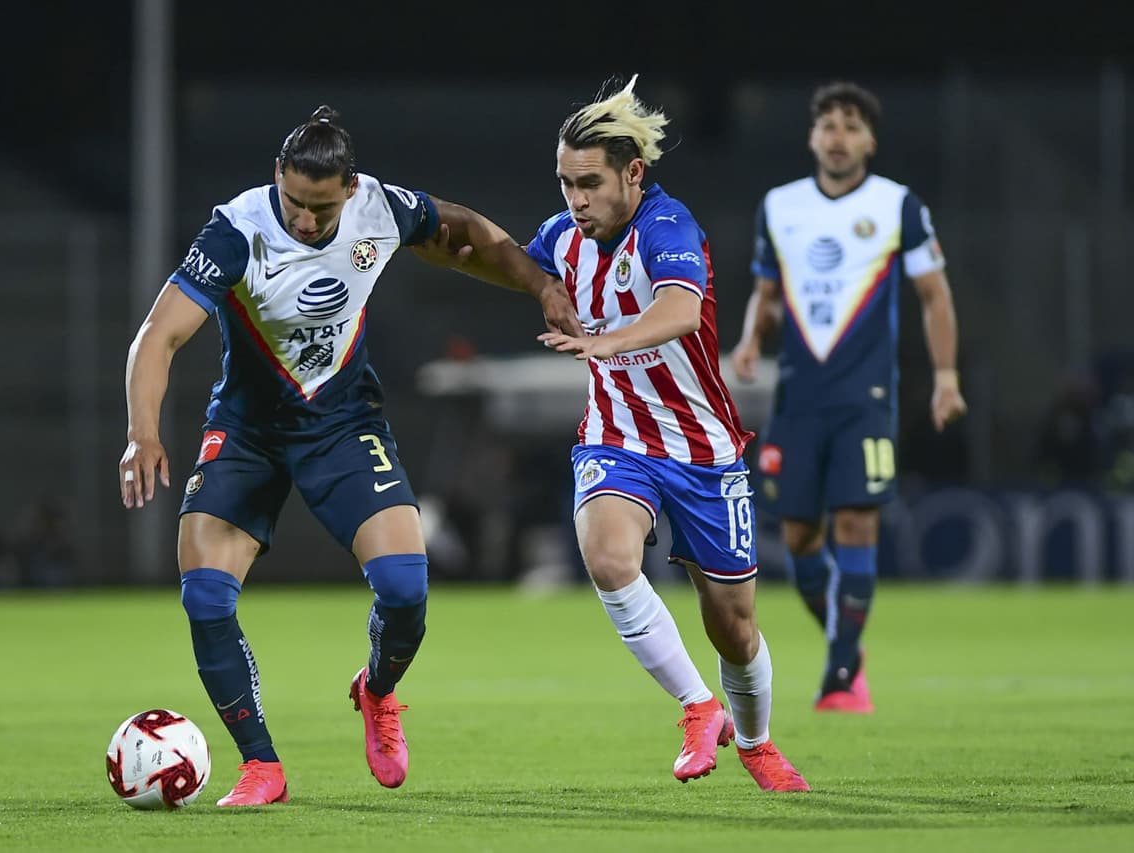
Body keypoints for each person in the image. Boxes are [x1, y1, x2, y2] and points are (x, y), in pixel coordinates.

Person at [118, 106, 578, 807]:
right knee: (206, 597)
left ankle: (378, 690)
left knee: (405, 590)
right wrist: (141, 432)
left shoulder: (380, 209)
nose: (304, 221)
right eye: (295, 203)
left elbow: (470, 236)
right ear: (278, 177)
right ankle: (261, 765)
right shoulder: (237, 230)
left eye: (320, 208)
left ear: (349, 187)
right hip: (248, 433)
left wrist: (541, 286)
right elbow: (158, 334)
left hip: (342, 426)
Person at [434, 75, 809, 791]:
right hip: (618, 436)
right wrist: (431, 232)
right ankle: (699, 707)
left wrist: (611, 343)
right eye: (566, 183)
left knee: (734, 625)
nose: (576, 200)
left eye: (591, 183)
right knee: (608, 555)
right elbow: (500, 254)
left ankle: (756, 741)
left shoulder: (669, 228)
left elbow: (680, 310)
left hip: (703, 446)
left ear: (634, 174)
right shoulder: (564, 238)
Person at [730, 81, 967, 712]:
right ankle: (848, 645)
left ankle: (839, 676)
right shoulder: (780, 206)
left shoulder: (898, 206)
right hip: (800, 397)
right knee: (802, 536)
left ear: (870, 140)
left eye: (851, 126)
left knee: (858, 520)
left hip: (866, 395)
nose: (838, 137)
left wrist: (946, 377)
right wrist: (751, 339)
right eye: (828, 125)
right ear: (813, 137)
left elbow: (934, 295)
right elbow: (768, 289)